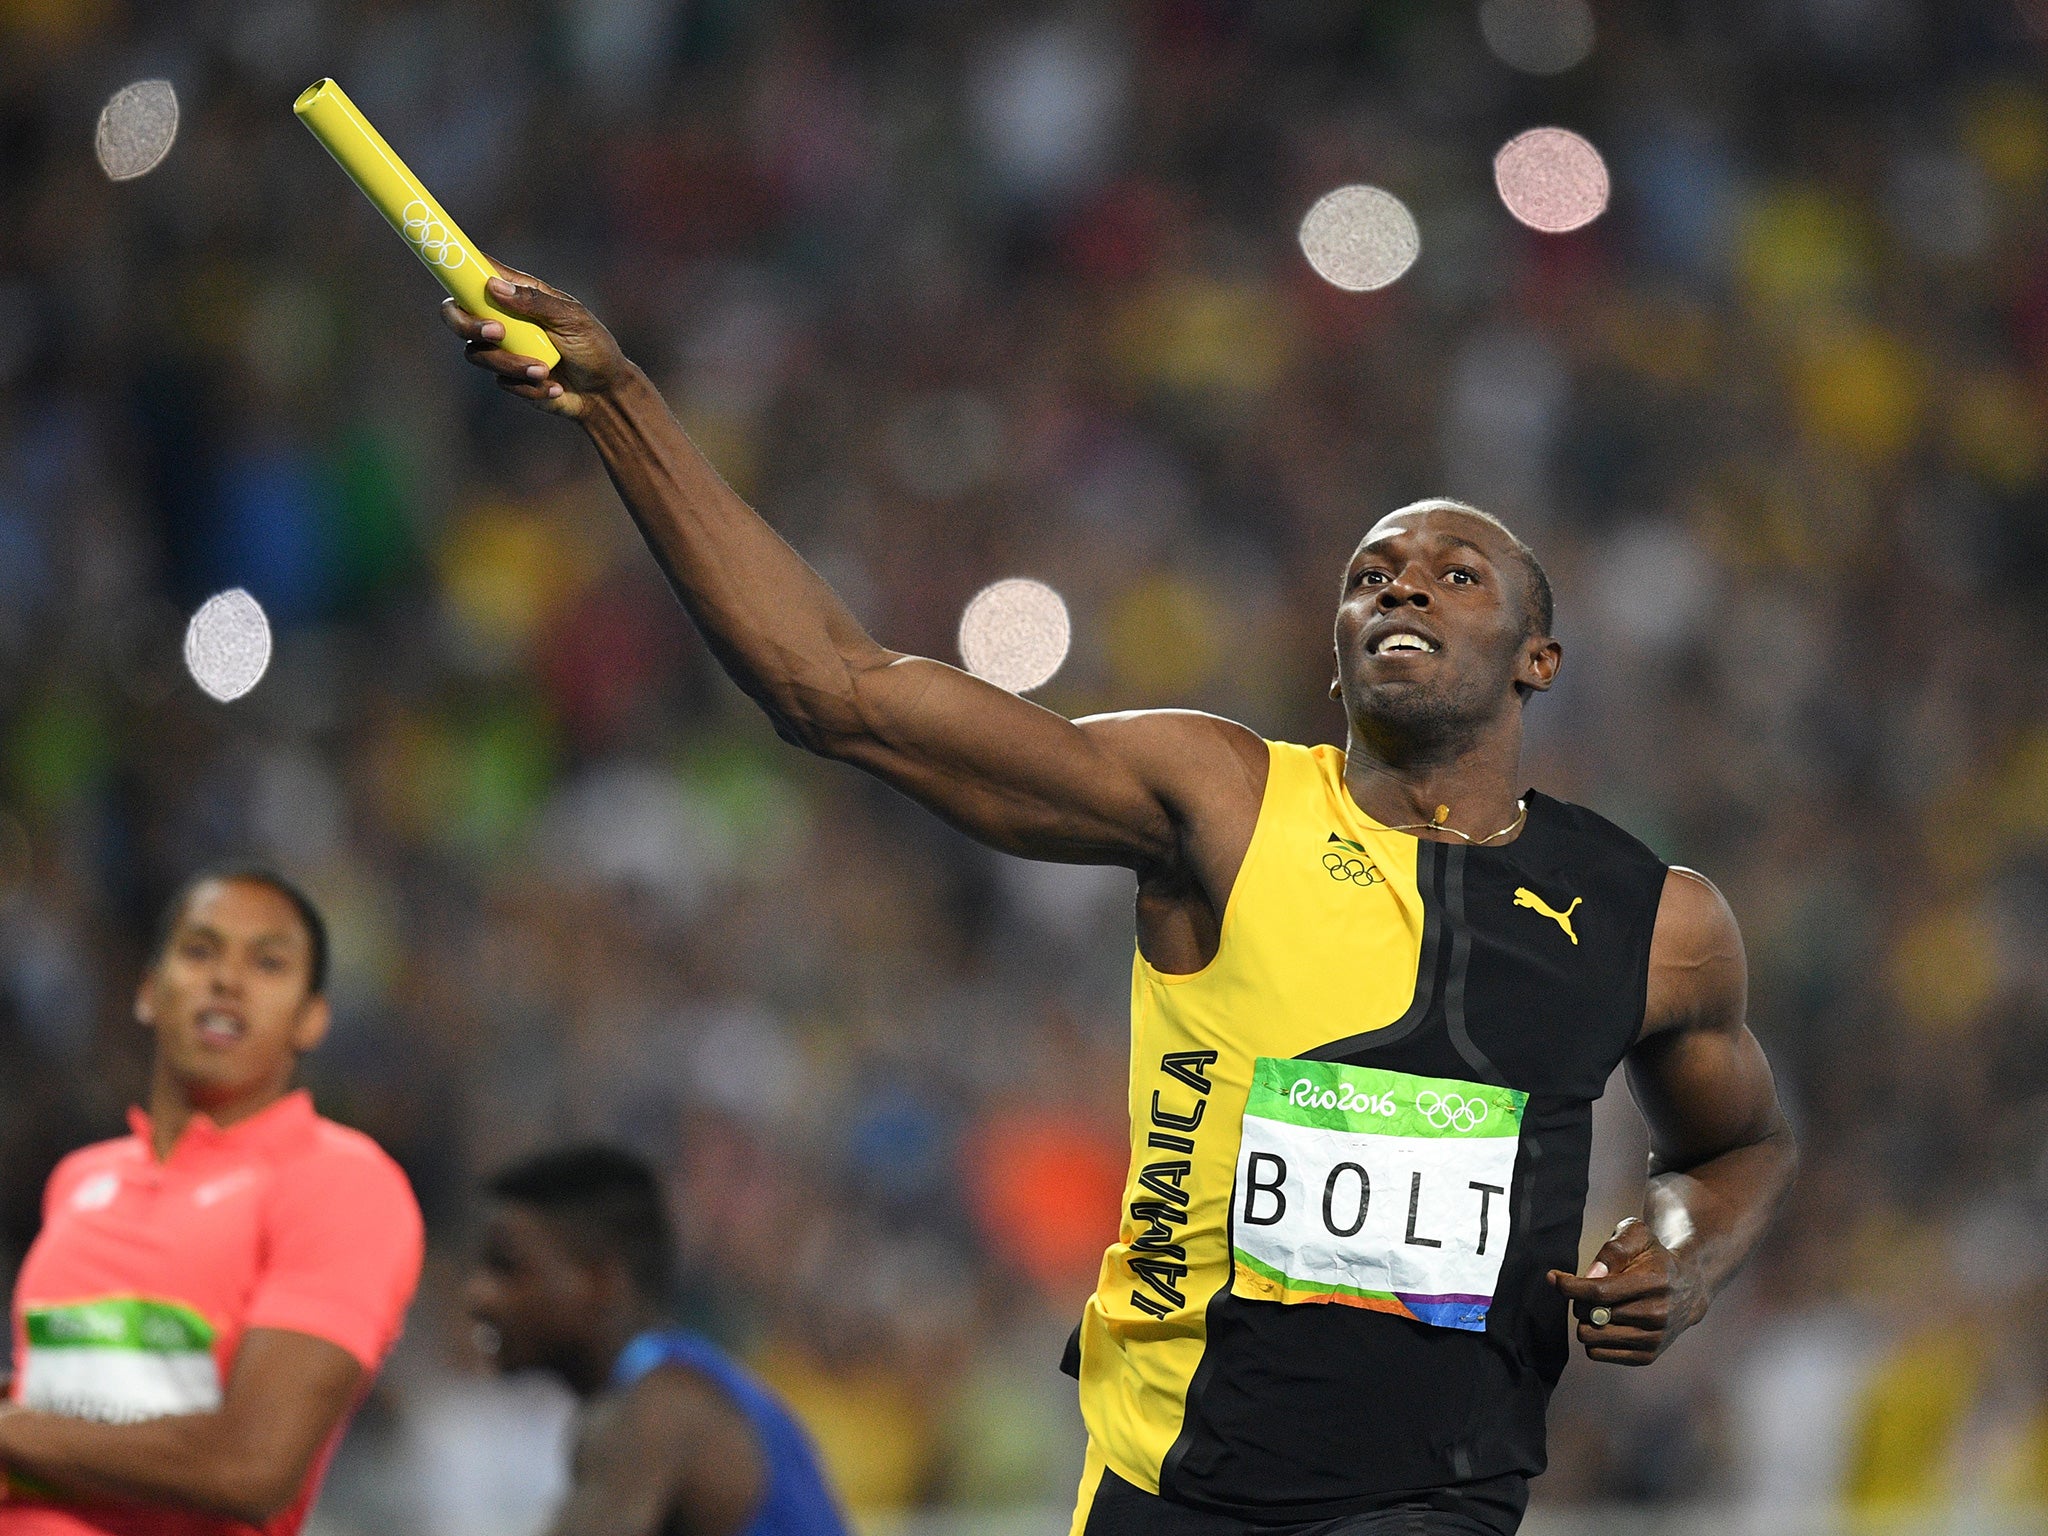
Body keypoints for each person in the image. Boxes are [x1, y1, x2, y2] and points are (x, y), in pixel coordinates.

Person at [439, 271, 1797, 1536]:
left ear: (1537, 659)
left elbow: (1739, 1149)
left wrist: (1684, 1252)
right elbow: (832, 688)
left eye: (1457, 575)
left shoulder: (1656, 920)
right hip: (1175, 1490)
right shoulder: (1223, 800)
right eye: (1370, 575)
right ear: (1335, 662)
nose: (1401, 586)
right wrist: (621, 405)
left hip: (1443, 1504)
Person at [0, 870, 424, 1536]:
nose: (227, 979)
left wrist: (14, 1436)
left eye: (268, 963)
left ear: (311, 1018)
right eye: (200, 951)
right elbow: (48, 1411)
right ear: (147, 990)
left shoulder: (340, 1184)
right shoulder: (79, 1181)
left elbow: (250, 1468)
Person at [465, 1144, 848, 1536]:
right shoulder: (680, 1385)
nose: (477, 1294)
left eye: (507, 1268)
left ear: (601, 1282)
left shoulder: (659, 1412)